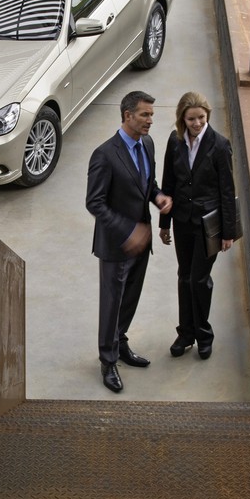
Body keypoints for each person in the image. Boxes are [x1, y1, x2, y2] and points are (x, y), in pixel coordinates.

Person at [86, 91, 173, 393]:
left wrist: (158, 196)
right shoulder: (104, 155)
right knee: (112, 303)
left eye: (152, 114)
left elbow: (147, 182)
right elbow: (94, 203)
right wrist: (127, 231)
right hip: (116, 245)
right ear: (127, 116)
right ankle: (107, 361)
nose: (151, 120)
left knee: (130, 297)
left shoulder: (146, 144)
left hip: (142, 242)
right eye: (145, 115)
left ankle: (119, 343)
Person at [158, 92, 236, 360]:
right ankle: (185, 333)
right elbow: (168, 182)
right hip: (182, 220)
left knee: (199, 279)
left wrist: (228, 233)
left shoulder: (220, 145)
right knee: (184, 276)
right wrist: (164, 223)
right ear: (182, 118)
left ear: (207, 115)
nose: (197, 123)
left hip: (208, 225)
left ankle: (203, 334)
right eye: (191, 119)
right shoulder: (175, 141)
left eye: (201, 118)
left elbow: (227, 191)